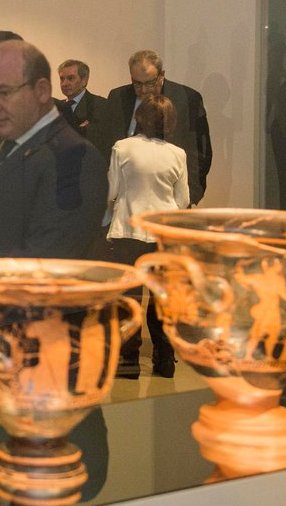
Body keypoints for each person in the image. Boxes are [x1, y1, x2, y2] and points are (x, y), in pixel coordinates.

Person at [0, 39, 106, 259]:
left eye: (5, 92)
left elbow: (51, 253)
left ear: (40, 91)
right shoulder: (0, 148)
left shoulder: (77, 159)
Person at [104, 95, 189, 379]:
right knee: (161, 299)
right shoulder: (178, 154)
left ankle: (128, 362)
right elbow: (183, 200)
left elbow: (112, 191)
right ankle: (164, 359)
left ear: (139, 117)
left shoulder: (122, 148)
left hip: (127, 231)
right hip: (163, 235)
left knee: (128, 299)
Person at [95, 50, 211, 204]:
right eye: (137, 83)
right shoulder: (118, 97)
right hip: (125, 200)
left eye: (150, 83)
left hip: (169, 198)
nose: (143, 90)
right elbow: (105, 144)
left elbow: (201, 151)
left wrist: (191, 194)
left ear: (161, 75)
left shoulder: (187, 99)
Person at [58, 59, 106, 137]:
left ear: (84, 80)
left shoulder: (100, 105)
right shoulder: (56, 108)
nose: (64, 84)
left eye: (70, 78)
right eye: (62, 79)